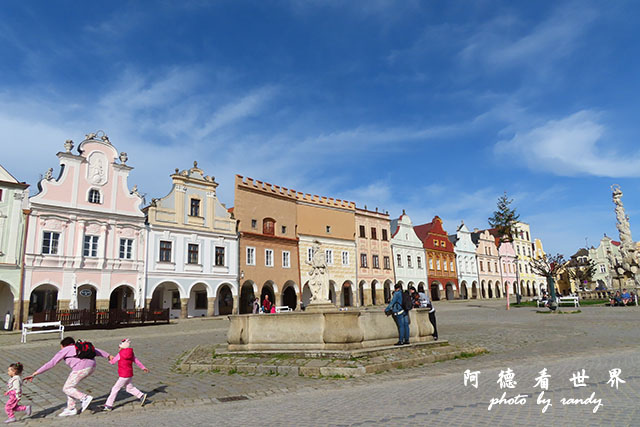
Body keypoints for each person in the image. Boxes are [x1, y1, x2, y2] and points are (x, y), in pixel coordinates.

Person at [24, 337, 112, 417]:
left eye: (61, 346)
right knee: (70, 387)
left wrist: (35, 373)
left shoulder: (66, 349)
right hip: (92, 366)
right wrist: (109, 355)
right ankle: (71, 408)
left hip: (81, 368)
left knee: (67, 388)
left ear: (63, 345)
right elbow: (97, 351)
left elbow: (52, 363)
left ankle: (84, 398)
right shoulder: (79, 347)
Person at [102, 339, 149, 411]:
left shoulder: (120, 354)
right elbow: (136, 361)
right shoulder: (131, 353)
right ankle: (141, 395)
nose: (118, 348)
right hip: (129, 374)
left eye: (119, 347)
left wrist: (109, 358)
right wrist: (143, 367)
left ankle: (108, 405)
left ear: (122, 347)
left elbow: (112, 362)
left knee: (115, 389)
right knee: (129, 388)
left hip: (123, 375)